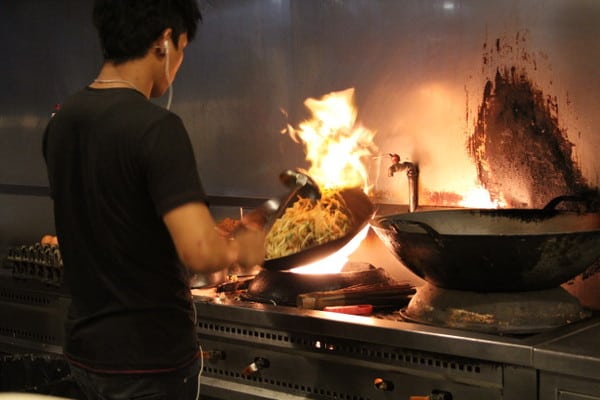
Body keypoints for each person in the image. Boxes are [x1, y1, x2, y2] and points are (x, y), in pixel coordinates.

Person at [42, 1, 266, 399]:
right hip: (148, 361)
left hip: (85, 350)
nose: (179, 62)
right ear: (165, 41)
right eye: (182, 48)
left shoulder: (63, 122)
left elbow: (114, 218)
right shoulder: (157, 129)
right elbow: (200, 254)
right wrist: (244, 246)